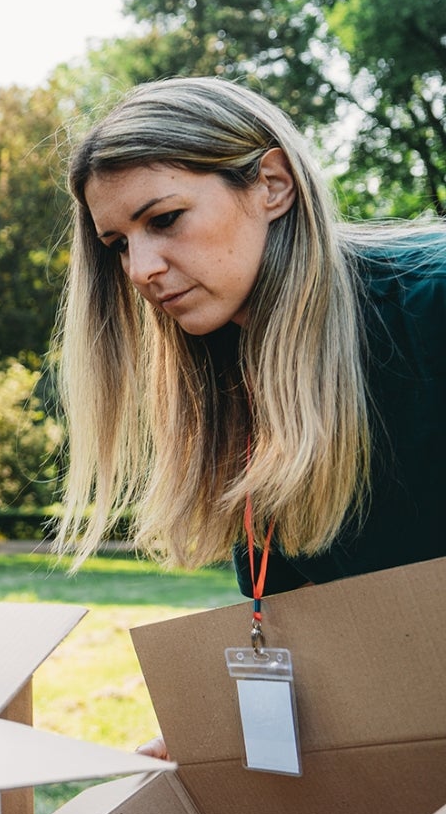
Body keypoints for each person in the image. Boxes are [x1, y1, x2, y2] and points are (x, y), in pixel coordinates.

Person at [58, 75, 446, 595]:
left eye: (166, 219)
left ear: (273, 184)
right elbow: (295, 612)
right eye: (118, 245)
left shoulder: (432, 304)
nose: (140, 270)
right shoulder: (224, 362)